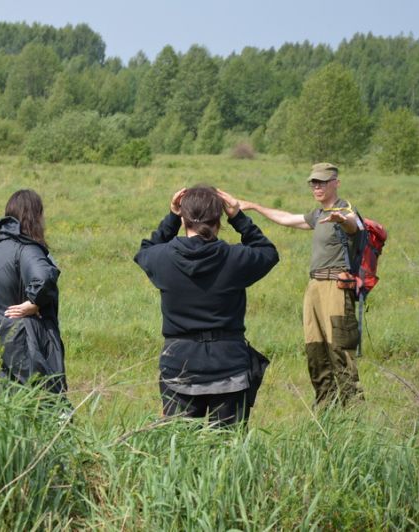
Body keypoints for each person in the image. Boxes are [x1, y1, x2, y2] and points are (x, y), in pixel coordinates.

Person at [134, 186, 279, 427]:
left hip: (179, 365)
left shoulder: (162, 258)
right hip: (229, 365)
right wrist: (239, 217)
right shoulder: (235, 259)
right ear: (219, 219)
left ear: (184, 219)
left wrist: (171, 217)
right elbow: (268, 252)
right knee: (227, 450)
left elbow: (145, 251)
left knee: (178, 446)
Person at [238, 163, 363, 406]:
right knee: (315, 348)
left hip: (335, 286)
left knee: (339, 348)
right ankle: (327, 408)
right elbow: (286, 219)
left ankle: (353, 410)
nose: (317, 187)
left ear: (336, 182)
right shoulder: (318, 215)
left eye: (323, 182)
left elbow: (352, 225)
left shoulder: (345, 210)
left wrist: (341, 220)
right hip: (315, 286)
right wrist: (254, 206)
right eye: (314, 182)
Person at [0, 189, 68, 398]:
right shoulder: (28, 248)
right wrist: (34, 303)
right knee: (44, 393)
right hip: (24, 332)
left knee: (6, 394)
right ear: (34, 215)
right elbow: (45, 276)